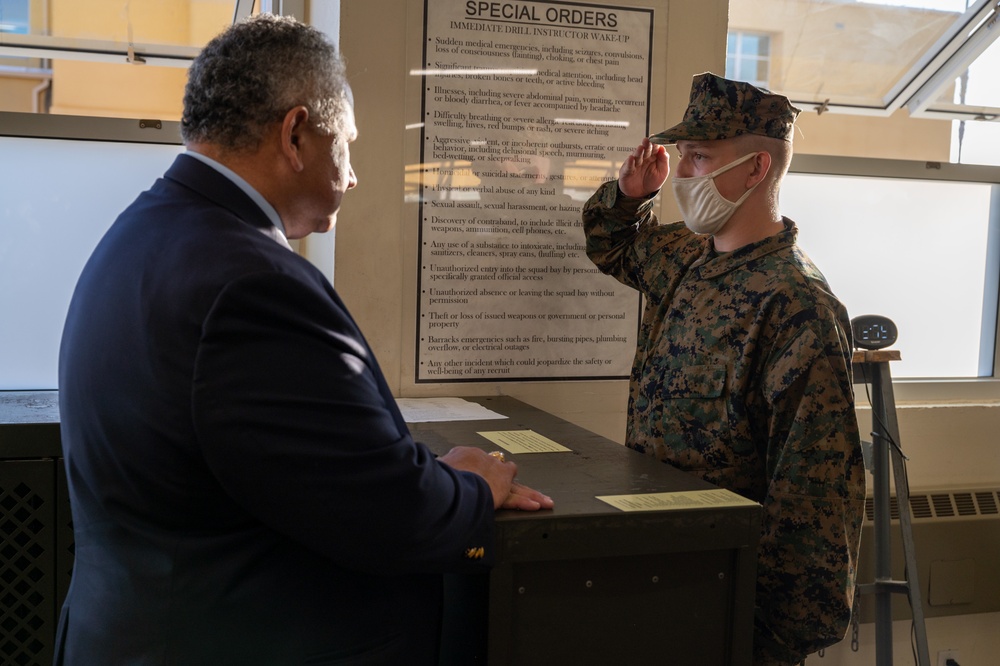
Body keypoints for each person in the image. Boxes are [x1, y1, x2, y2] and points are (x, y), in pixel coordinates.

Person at [56, 13, 551, 665]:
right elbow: (387, 517)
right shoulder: (252, 286)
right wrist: (471, 487)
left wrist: (419, 473)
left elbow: (286, 468)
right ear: (296, 134)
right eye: (345, 144)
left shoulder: (143, 231)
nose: (350, 177)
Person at [582, 72, 866, 665]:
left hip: (733, 604)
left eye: (700, 157)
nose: (684, 174)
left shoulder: (797, 305)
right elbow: (614, 246)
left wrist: (777, 641)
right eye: (683, 156)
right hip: (659, 571)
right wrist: (634, 195)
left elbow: (813, 493)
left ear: (757, 169)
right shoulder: (688, 258)